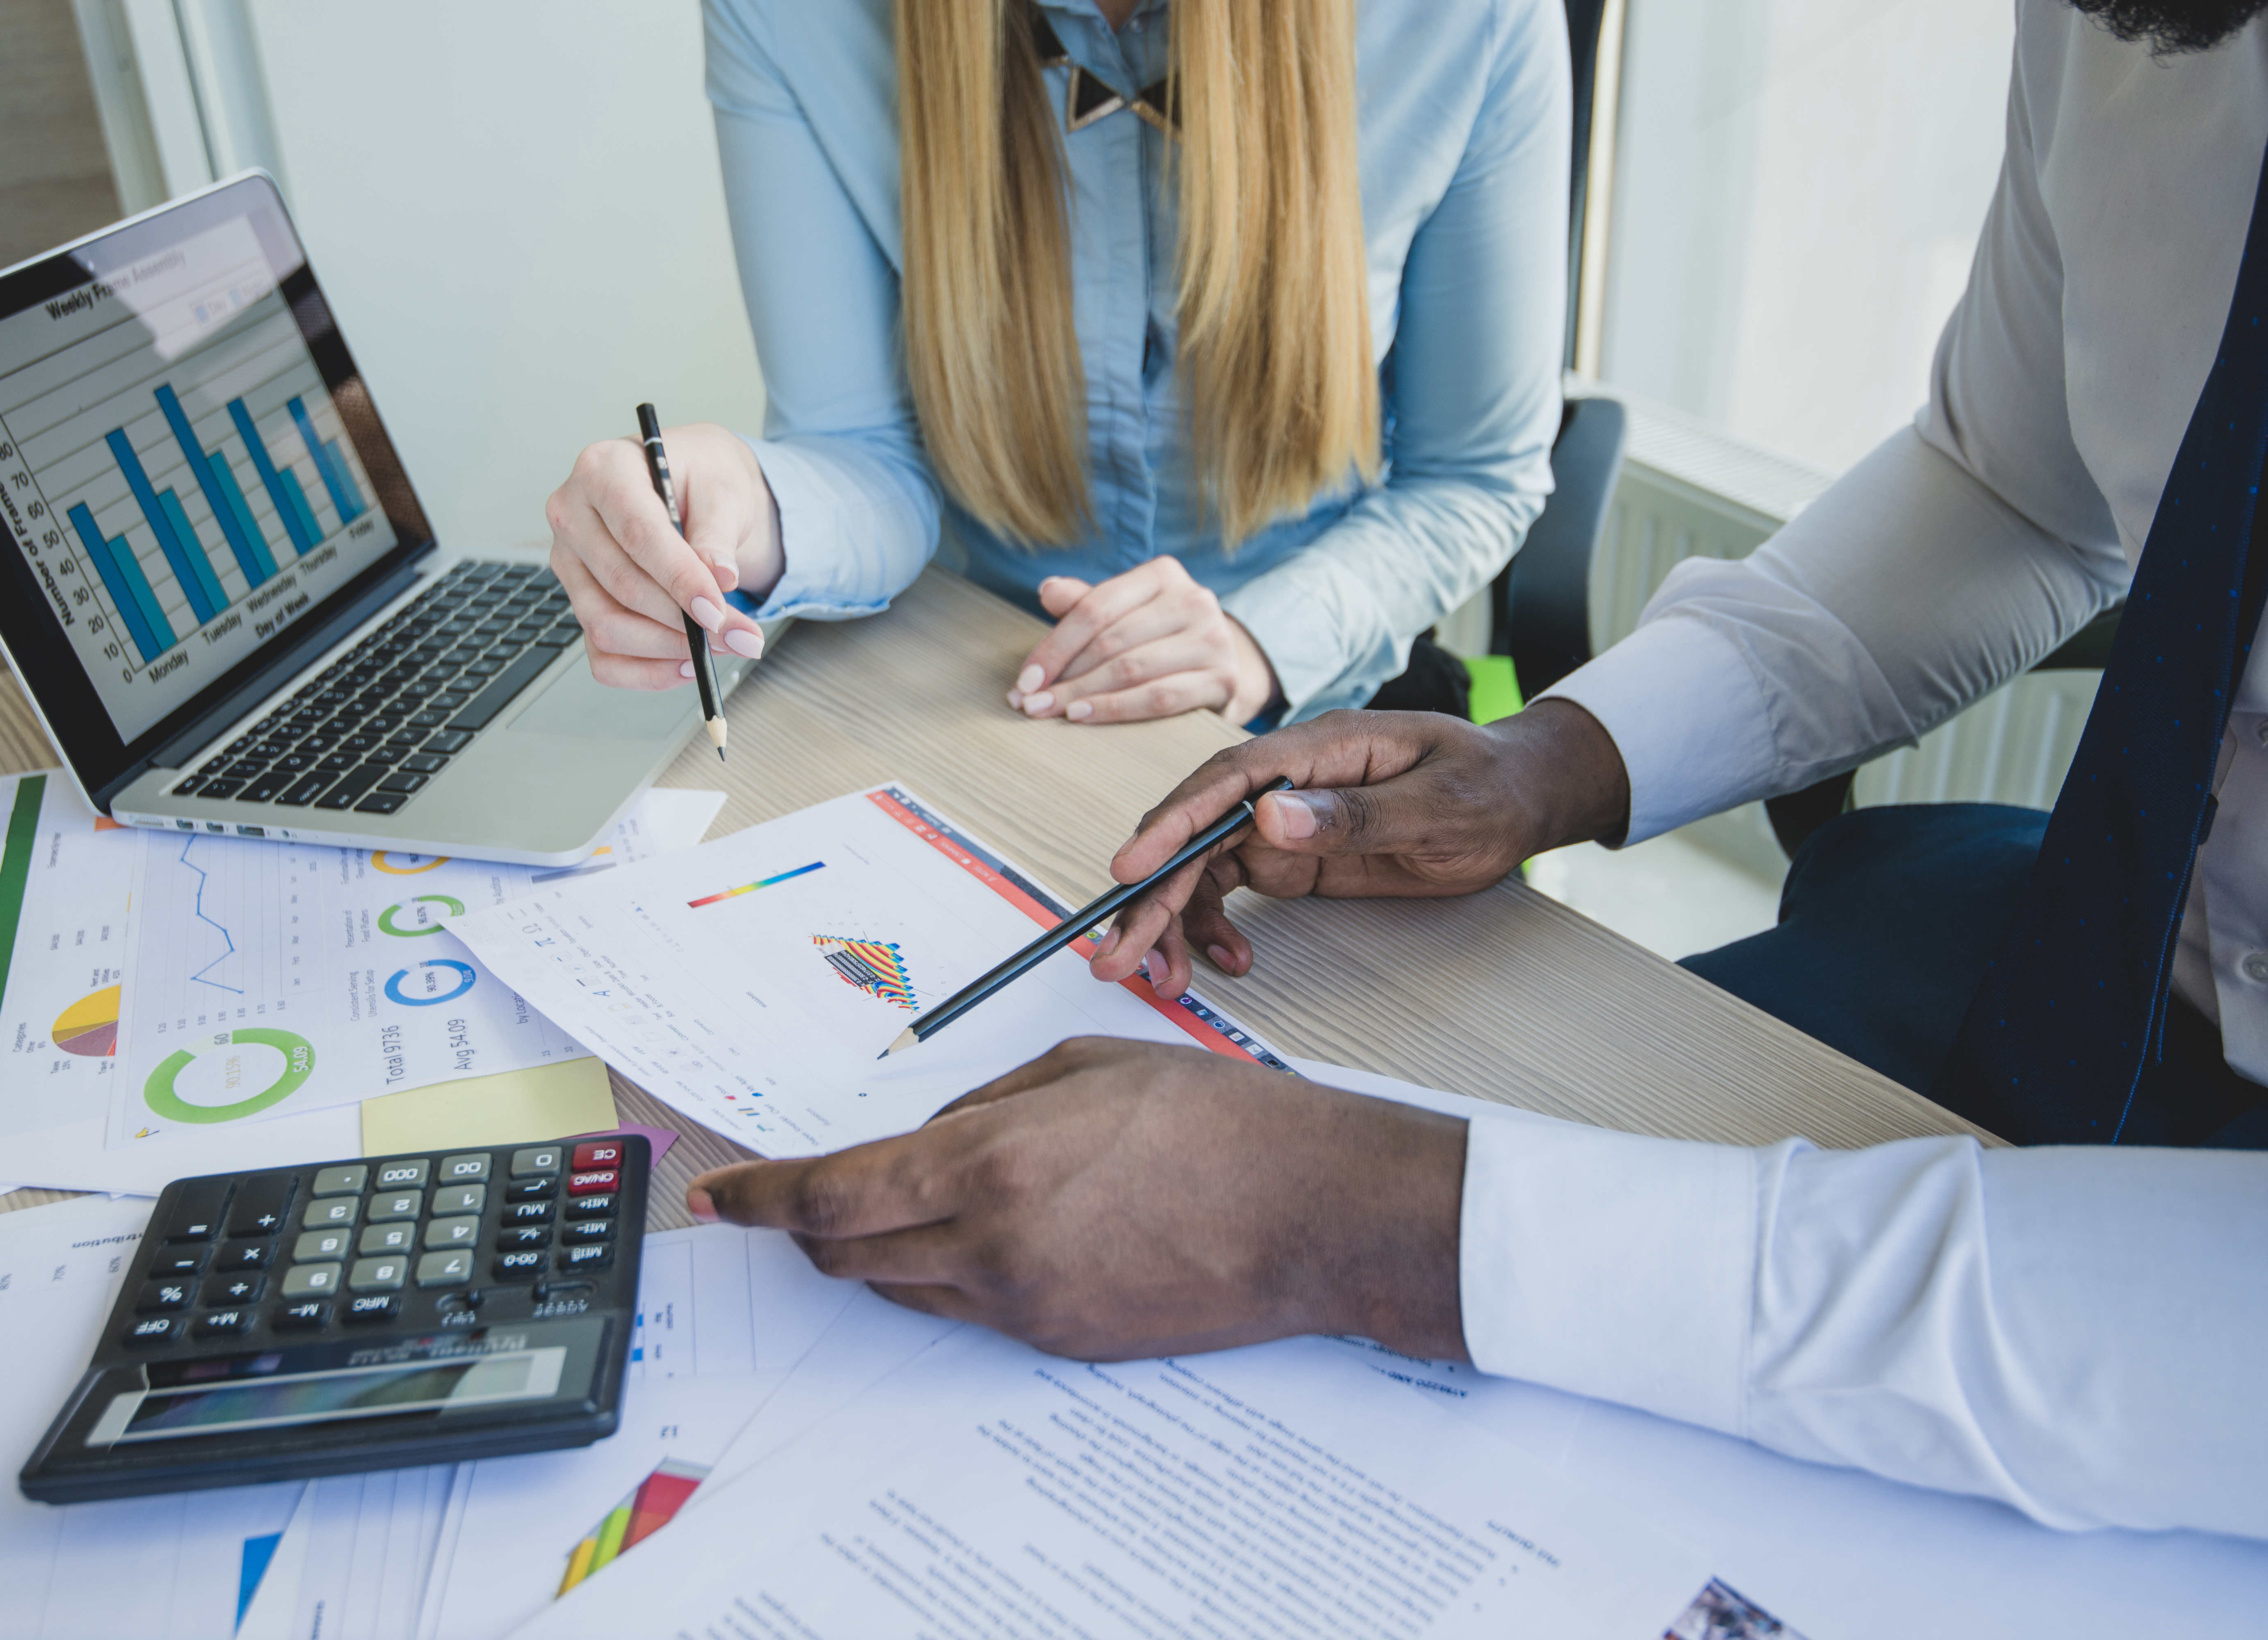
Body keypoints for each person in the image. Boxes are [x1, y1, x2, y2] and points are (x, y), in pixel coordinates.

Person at [682, 0, 2268, 1542]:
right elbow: (2008, 480)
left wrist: (1362, 1218)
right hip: (2128, 934)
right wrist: (1555, 759)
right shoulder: (2113, 33)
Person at [544, 0, 1566, 731]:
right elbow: (864, 454)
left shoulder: (1464, 22)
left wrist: (1259, 640)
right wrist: (741, 496)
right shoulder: (789, 19)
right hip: (975, 694)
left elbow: (1471, 476)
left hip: (1313, 697)